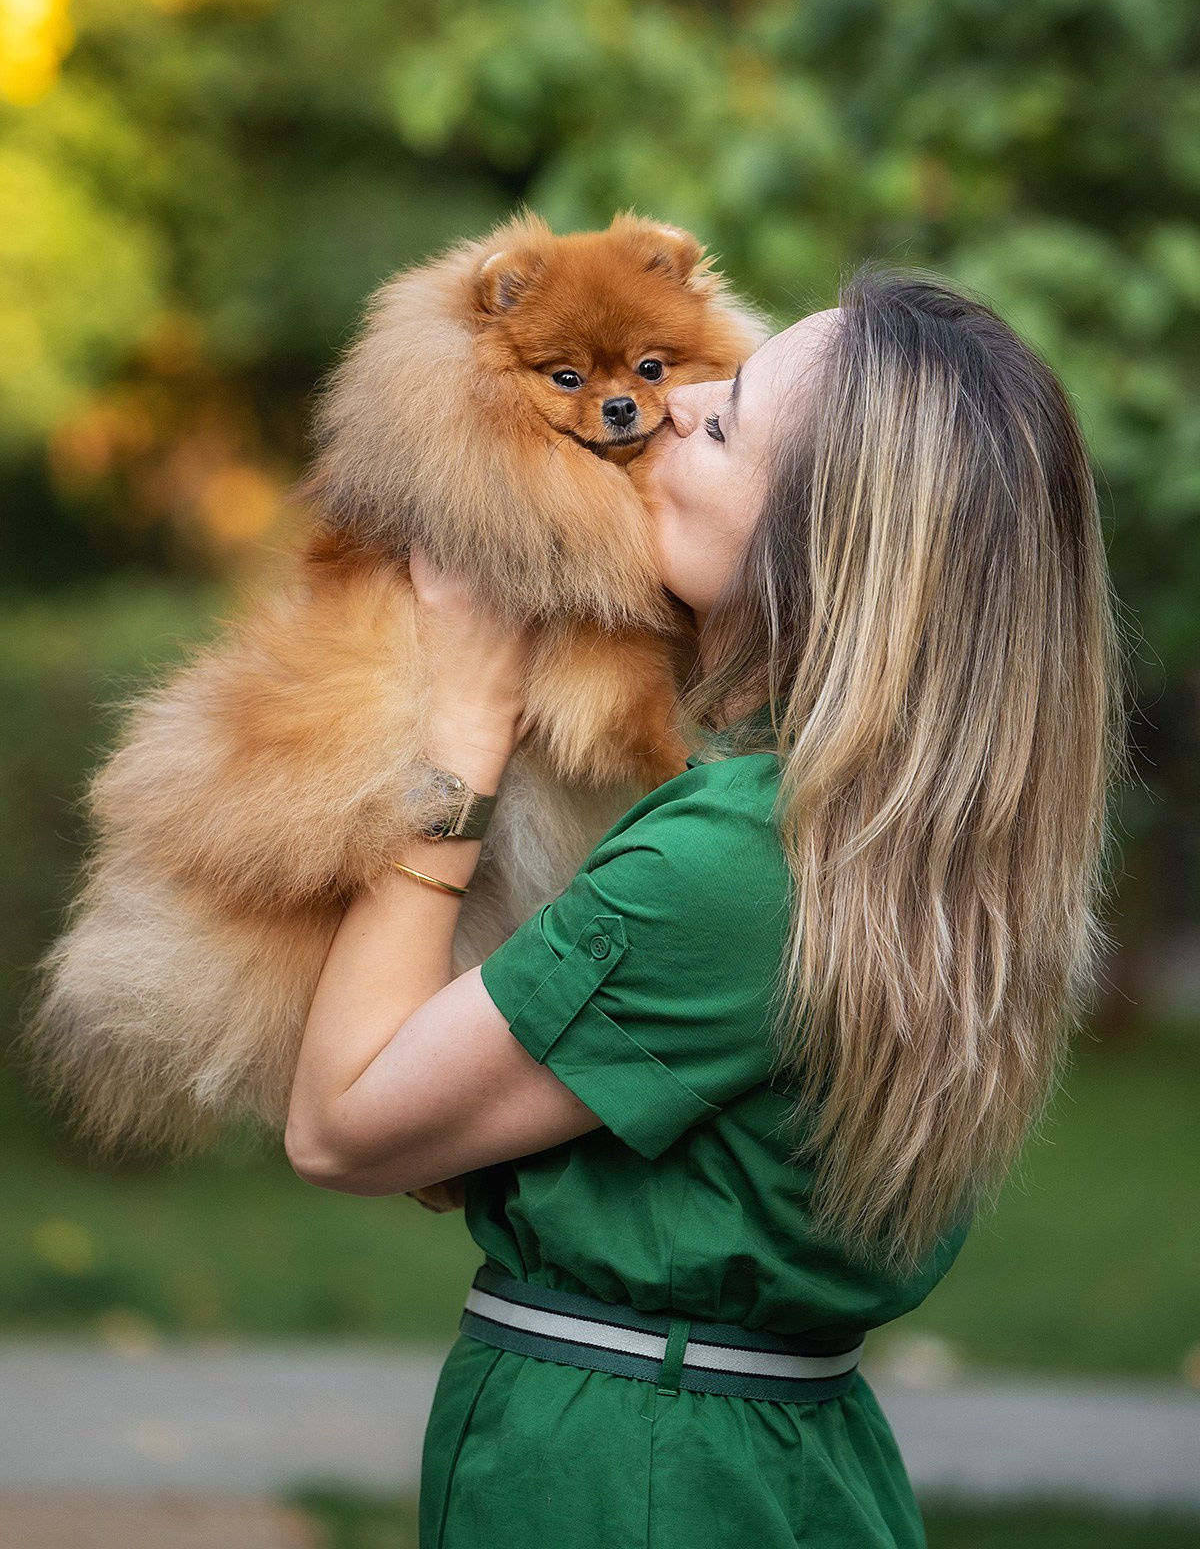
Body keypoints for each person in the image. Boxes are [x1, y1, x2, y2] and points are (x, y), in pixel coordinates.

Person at [284, 265, 1123, 1548]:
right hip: (763, 1453)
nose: (675, 405)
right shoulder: (868, 830)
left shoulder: (731, 866)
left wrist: (461, 731)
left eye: (727, 421)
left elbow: (341, 1126)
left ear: (824, 545)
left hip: (631, 1475)